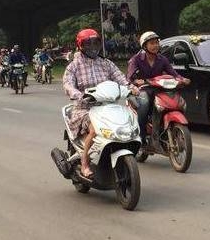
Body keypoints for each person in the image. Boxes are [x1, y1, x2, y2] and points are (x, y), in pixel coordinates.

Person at [63, 29, 139, 178]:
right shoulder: (74, 66)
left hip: (108, 106)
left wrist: (132, 89)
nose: (92, 47)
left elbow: (121, 78)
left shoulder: (106, 63)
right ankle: (85, 163)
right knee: (94, 129)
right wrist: (78, 94)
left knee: (128, 121)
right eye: (88, 44)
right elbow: (67, 84)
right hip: (85, 108)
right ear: (80, 45)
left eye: (95, 43)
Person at [127, 31, 190, 150]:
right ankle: (142, 136)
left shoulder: (162, 59)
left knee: (176, 102)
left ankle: (165, 130)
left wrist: (182, 79)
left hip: (160, 89)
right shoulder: (136, 59)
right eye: (152, 43)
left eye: (156, 43)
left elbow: (173, 73)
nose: (155, 45)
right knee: (144, 103)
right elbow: (129, 77)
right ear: (144, 46)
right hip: (144, 89)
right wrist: (137, 81)